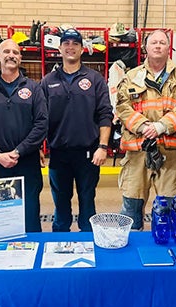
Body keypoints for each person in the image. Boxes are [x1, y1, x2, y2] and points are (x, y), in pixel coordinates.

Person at [116, 29, 176, 230]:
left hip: (170, 153)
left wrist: (161, 126)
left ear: (169, 48)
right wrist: (143, 126)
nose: (158, 46)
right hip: (138, 152)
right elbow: (122, 106)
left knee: (167, 208)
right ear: (146, 47)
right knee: (131, 206)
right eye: (154, 42)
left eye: (162, 42)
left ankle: (165, 250)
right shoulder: (132, 76)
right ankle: (131, 252)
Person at [40, 28, 113, 232]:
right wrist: (38, 145)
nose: (70, 47)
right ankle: (59, 241)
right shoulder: (48, 82)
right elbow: (40, 119)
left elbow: (105, 114)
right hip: (58, 154)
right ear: (60, 49)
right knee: (61, 203)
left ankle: (89, 240)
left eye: (75, 43)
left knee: (87, 200)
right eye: (66, 43)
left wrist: (103, 146)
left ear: (82, 49)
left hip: (88, 154)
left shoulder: (95, 79)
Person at [0, 39, 47, 232]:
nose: (11, 55)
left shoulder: (34, 89)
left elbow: (42, 125)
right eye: (6, 51)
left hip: (27, 163)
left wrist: (18, 151)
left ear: (20, 58)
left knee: (30, 215)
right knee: (1, 219)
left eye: (16, 52)